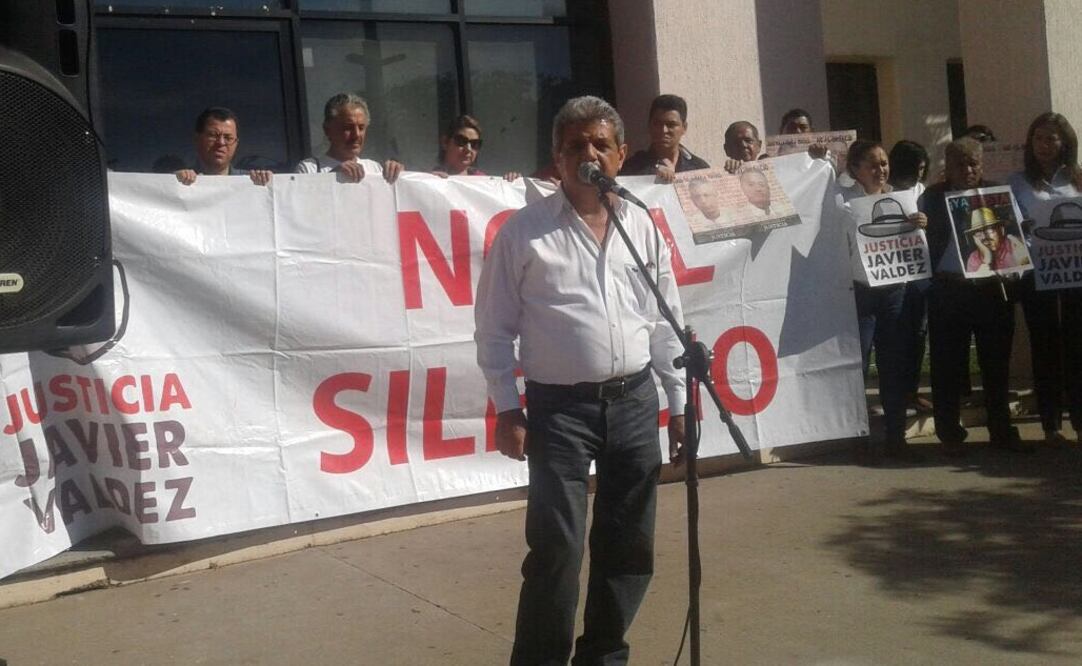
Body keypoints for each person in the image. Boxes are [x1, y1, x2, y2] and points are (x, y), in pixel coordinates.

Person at [475, 95, 686, 665]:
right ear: (556, 159)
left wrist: (680, 400)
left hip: (636, 403)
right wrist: (507, 408)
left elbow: (667, 320)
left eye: (600, 144)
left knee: (628, 546)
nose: (588, 153)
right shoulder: (524, 232)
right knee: (557, 550)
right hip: (560, 413)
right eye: (575, 145)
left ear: (620, 154)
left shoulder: (641, 223)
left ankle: (604, 657)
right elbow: (494, 330)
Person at [920, 138, 1028, 454]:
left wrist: (1016, 264)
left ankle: (1001, 430)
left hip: (992, 289)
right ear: (947, 167)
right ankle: (949, 433)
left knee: (996, 363)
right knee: (947, 363)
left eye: (974, 164)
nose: (968, 170)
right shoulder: (931, 198)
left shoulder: (996, 195)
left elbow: (1016, 238)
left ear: (981, 165)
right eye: (960, 164)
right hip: (949, 289)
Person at [839, 140, 928, 463]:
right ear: (855, 169)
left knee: (894, 367)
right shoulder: (844, 201)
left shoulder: (903, 200)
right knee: (858, 367)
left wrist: (920, 224)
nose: (881, 170)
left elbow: (917, 243)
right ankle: (858, 438)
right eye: (873, 164)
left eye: (884, 163)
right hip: (860, 293)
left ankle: (896, 437)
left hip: (894, 292)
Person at [1008, 112, 1082, 446]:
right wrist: (1018, 229)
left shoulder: (1078, 179)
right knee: (1045, 348)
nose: (1044, 145)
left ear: (1065, 142)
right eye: (1038, 138)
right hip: (1037, 275)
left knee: (1077, 348)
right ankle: (1050, 425)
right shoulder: (1018, 182)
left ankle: (1079, 423)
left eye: (1051, 138)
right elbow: (1006, 226)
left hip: (1076, 275)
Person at [888, 140, 932, 413]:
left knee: (917, 333)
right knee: (893, 337)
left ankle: (911, 391)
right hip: (890, 273)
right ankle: (892, 392)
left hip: (918, 272)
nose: (918, 174)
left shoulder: (922, 191)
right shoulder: (884, 190)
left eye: (922, 169)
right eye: (914, 168)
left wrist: (926, 221)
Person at [295, 93, 404, 183]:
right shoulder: (309, 169)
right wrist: (333, 177)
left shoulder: (375, 168)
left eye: (361, 128)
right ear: (327, 130)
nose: (356, 134)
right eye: (348, 128)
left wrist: (399, 175)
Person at [620, 94, 709, 182]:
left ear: (684, 128)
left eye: (671, 125)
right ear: (649, 126)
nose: (663, 130)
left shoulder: (700, 169)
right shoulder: (632, 169)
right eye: (657, 124)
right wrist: (651, 175)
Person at [174, 107, 272, 186]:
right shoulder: (178, 181)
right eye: (213, 135)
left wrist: (269, 182)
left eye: (228, 138)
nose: (221, 142)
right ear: (197, 139)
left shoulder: (252, 182)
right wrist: (173, 182)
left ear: (236, 143)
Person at [432, 114, 520, 181]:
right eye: (461, 141)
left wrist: (512, 183)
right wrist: (428, 182)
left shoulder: (486, 182)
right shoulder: (427, 180)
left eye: (474, 144)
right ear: (445, 142)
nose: (468, 149)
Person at [962, 207, 1030, 271]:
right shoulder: (974, 258)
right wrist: (987, 259)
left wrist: (1024, 262)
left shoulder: (1016, 245)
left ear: (1001, 230)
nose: (984, 237)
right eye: (978, 233)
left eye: (989, 230)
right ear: (975, 238)